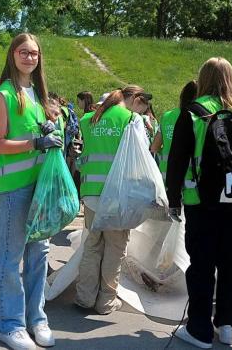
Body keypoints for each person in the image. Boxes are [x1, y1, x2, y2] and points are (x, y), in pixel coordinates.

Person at [166, 57, 232, 349]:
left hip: (200, 200)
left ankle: (199, 329)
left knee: (201, 265)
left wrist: (173, 199)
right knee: (230, 262)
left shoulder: (193, 112)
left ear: (201, 77)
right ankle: (227, 324)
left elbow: (177, 161)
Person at [0, 33, 61, 350]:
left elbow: (43, 134)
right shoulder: (5, 94)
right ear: (12, 55)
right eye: (23, 52)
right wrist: (35, 142)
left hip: (40, 185)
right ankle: (9, 324)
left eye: (34, 53)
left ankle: (37, 319)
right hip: (15, 187)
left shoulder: (38, 95)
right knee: (11, 257)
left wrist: (51, 129)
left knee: (38, 256)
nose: (29, 57)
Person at [75, 85, 149, 315]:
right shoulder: (131, 119)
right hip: (118, 195)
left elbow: (82, 154)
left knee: (92, 245)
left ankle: (84, 297)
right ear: (132, 99)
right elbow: (141, 155)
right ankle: (106, 301)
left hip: (90, 192)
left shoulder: (87, 119)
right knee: (115, 249)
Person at [151, 80, 197, 179]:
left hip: (166, 175)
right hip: (189, 178)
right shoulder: (198, 118)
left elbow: (154, 147)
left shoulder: (167, 117)